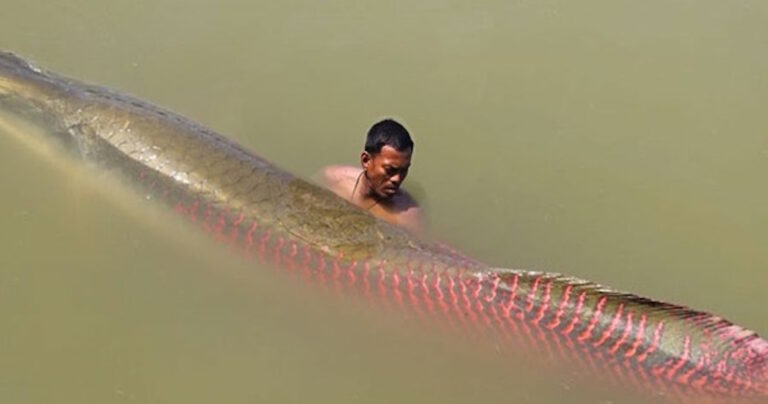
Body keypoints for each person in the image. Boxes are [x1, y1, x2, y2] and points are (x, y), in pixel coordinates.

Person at [318, 119, 424, 234]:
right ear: (366, 161)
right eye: (390, 170)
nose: (397, 179)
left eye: (404, 170)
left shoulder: (407, 215)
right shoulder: (334, 179)